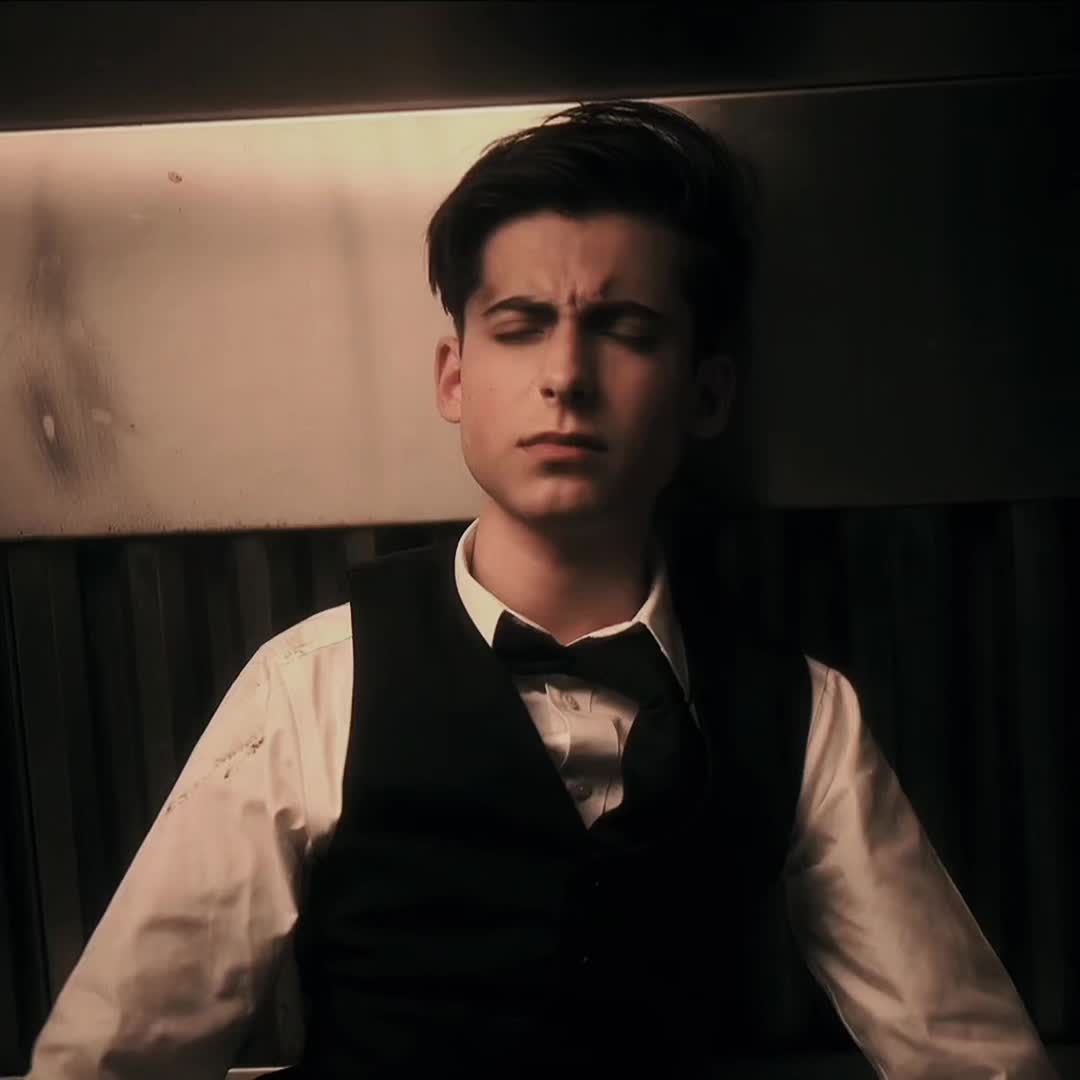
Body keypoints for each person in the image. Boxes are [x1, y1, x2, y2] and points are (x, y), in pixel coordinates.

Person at [27, 100, 1056, 1079]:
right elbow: (114, 1059)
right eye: (520, 325)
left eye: (626, 328)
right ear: (454, 377)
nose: (566, 374)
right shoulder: (309, 687)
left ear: (706, 394)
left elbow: (973, 1057)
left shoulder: (803, 714)